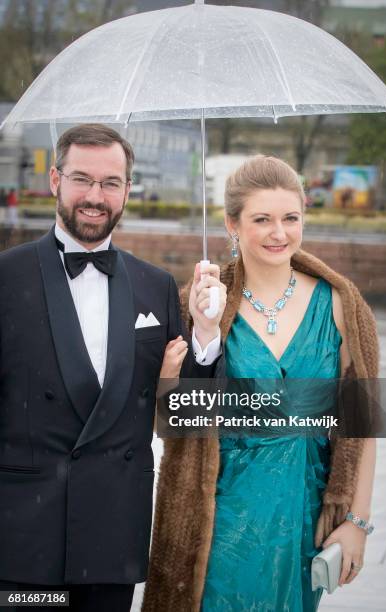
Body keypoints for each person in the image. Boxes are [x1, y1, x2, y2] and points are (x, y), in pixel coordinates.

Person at [0, 124, 226, 612]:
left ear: (127, 189)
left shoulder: (156, 286)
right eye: (83, 179)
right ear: (55, 180)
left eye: (110, 183)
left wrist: (206, 332)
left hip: (112, 534)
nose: (95, 197)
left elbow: (187, 415)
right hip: (21, 537)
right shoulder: (5, 277)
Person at [142, 156, 378, 611]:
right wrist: (204, 334)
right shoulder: (199, 303)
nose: (279, 233)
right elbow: (170, 419)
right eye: (262, 219)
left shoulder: (340, 304)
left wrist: (355, 521)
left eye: (291, 218)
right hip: (220, 512)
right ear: (232, 224)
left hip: (302, 508)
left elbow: (362, 420)